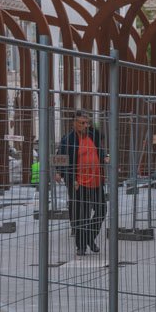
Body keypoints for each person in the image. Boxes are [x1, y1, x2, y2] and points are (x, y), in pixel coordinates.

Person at [56, 110, 107, 257]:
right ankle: (81, 246)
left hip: (96, 182)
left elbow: (100, 149)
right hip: (79, 183)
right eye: (82, 123)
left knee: (101, 211)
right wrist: (59, 173)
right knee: (81, 215)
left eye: (87, 122)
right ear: (74, 123)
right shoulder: (68, 139)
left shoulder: (92, 136)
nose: (85, 125)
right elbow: (61, 157)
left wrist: (105, 157)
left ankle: (89, 237)